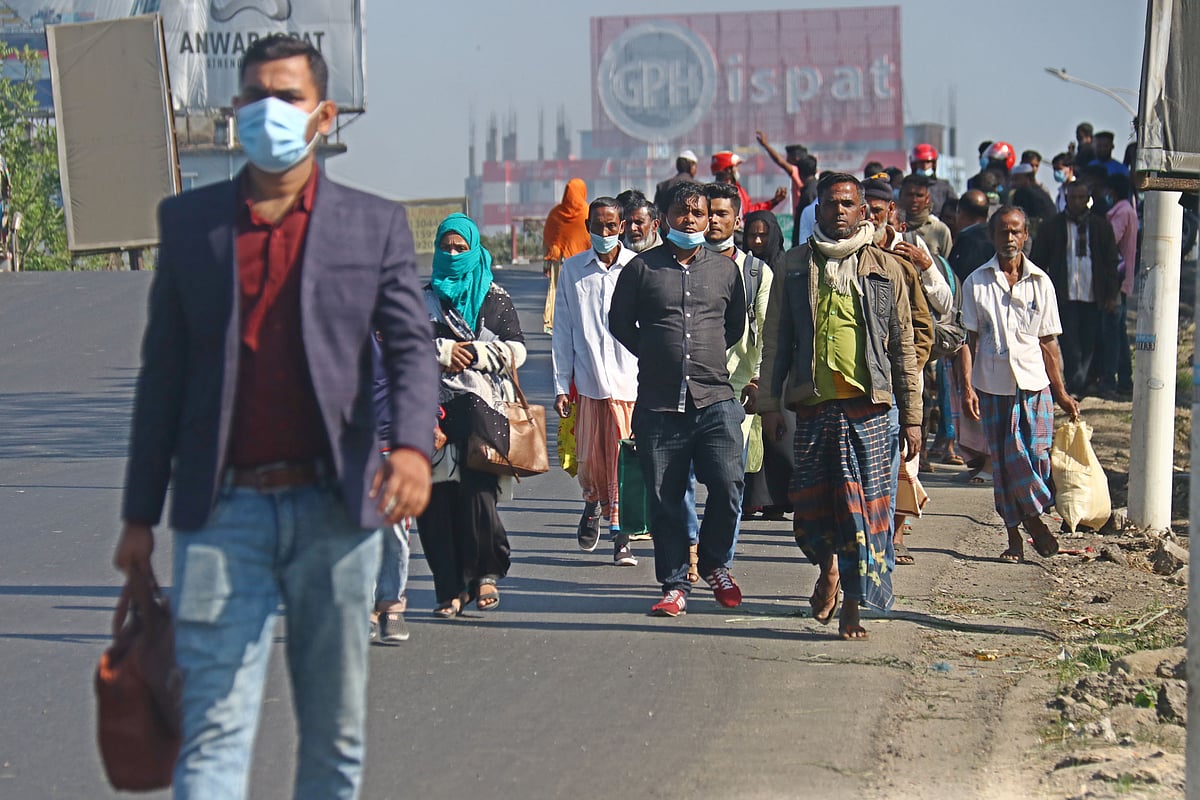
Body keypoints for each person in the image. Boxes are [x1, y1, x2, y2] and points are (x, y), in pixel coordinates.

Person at [113, 35, 436, 799]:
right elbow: (163, 377)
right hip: (222, 515)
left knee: (334, 734)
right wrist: (137, 516)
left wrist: (414, 448)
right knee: (213, 728)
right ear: (233, 114)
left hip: (337, 510)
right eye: (254, 96)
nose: (269, 111)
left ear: (322, 114)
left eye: (286, 97)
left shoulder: (374, 225)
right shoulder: (192, 226)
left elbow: (411, 351)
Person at [758, 172, 923, 640]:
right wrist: (770, 405)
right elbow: (776, 342)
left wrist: (911, 416)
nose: (840, 212)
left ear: (863, 210)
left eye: (849, 204)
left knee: (864, 514)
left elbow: (903, 346)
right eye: (831, 204)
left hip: (868, 410)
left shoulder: (886, 268)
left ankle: (854, 600)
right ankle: (827, 569)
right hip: (812, 408)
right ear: (818, 209)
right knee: (814, 510)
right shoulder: (793, 266)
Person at [608, 181, 748, 617]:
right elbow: (619, 323)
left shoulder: (726, 271)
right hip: (658, 402)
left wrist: (700, 359)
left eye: (698, 213)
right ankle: (673, 584)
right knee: (664, 496)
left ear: (710, 219)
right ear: (665, 217)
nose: (689, 219)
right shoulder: (641, 269)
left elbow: (735, 326)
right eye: (681, 212)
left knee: (728, 485)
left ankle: (715, 565)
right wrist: (657, 353)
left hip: (715, 398)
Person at [958, 207, 1080, 562]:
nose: (1009, 239)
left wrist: (1061, 391)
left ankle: (1030, 516)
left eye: (1015, 232)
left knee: (1036, 457)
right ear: (992, 236)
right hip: (993, 385)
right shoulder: (976, 282)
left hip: (1034, 383)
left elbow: (1048, 342)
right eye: (1002, 233)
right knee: (1007, 462)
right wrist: (966, 388)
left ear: (1025, 235)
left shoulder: (1041, 282)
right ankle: (1021, 533)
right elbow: (968, 340)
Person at [420, 213, 526, 617]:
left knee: (478, 496)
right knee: (436, 503)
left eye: (460, 248)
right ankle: (449, 588)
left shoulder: (494, 297)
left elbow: (517, 349)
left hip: (483, 408)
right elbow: (401, 347)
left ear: (474, 250)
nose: (452, 254)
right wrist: (442, 353)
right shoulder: (422, 299)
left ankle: (485, 574)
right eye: (445, 247)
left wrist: (479, 354)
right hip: (431, 408)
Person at [553, 198, 641, 567]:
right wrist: (561, 384)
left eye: (611, 227)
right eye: (597, 226)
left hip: (630, 382)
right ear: (587, 225)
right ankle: (591, 503)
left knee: (624, 462)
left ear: (621, 227)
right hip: (588, 383)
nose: (604, 234)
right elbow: (563, 330)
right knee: (590, 460)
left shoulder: (638, 267)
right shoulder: (573, 270)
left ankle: (621, 537)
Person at [862, 177, 940, 567]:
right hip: (853, 389)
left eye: (878, 211)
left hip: (898, 385)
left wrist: (907, 369)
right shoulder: (835, 257)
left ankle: (891, 536)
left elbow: (924, 327)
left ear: (890, 212)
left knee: (898, 464)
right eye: (866, 210)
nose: (870, 217)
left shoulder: (905, 260)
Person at [703, 182, 774, 546]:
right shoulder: (677, 264)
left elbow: (767, 330)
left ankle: (719, 556)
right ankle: (688, 551)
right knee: (677, 481)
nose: (713, 220)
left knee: (728, 479)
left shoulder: (756, 273)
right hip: (687, 388)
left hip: (736, 393)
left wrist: (760, 378)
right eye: (707, 212)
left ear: (737, 219)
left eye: (722, 213)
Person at [1029, 181, 1120, 395]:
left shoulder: (1100, 226)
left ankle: (1082, 382)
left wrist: (1111, 294)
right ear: (1066, 198)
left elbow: (1111, 263)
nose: (1077, 202)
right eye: (1073, 197)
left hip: (1092, 293)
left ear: (1088, 198)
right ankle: (1075, 383)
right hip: (1064, 294)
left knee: (1089, 341)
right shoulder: (1052, 226)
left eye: (1082, 197)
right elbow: (1039, 261)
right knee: (1069, 342)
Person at [740, 210, 794, 521]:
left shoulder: (787, 266)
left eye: (763, 234)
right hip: (749, 362)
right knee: (749, 433)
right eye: (751, 234)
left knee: (779, 436)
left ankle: (779, 499)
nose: (757, 240)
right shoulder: (744, 270)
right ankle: (751, 499)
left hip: (780, 363)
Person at [370, 331, 414, 646]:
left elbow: (422, 385)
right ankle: (366, 611)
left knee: (395, 529)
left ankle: (391, 604)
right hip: (353, 446)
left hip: (396, 446)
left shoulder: (406, 333)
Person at [1097, 173, 1138, 397]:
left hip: (1116, 280)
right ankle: (1124, 378)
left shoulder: (1121, 212)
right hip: (1122, 279)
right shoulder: (1126, 210)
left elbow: (1110, 241)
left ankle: (1110, 380)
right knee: (1119, 333)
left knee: (1111, 332)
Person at [754, 130, 818, 246]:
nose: (787, 160)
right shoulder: (814, 175)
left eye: (789, 158)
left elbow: (779, 161)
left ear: (796, 159)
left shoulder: (797, 172)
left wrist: (765, 145)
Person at [542, 178, 591, 333]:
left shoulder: (556, 213)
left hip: (559, 262)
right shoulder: (587, 212)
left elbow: (548, 239)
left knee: (556, 292)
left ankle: (554, 323)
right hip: (583, 261)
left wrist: (546, 262)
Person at [711, 150, 786, 218]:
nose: (737, 169)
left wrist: (774, 201)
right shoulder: (715, 192)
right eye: (735, 167)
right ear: (728, 169)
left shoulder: (738, 189)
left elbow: (749, 210)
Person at [899, 174, 953, 258]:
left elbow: (946, 266)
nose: (914, 200)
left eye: (919, 195)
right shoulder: (892, 226)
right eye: (910, 195)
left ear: (927, 198)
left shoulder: (939, 230)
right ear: (901, 196)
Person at [1009, 163, 1057, 242]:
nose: (1013, 182)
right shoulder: (1041, 191)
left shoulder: (1022, 192)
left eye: (1016, 179)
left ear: (1027, 178)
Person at [909, 143, 958, 219]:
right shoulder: (907, 185)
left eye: (928, 162)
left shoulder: (944, 187)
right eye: (921, 163)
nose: (925, 166)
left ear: (934, 164)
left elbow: (954, 208)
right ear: (914, 165)